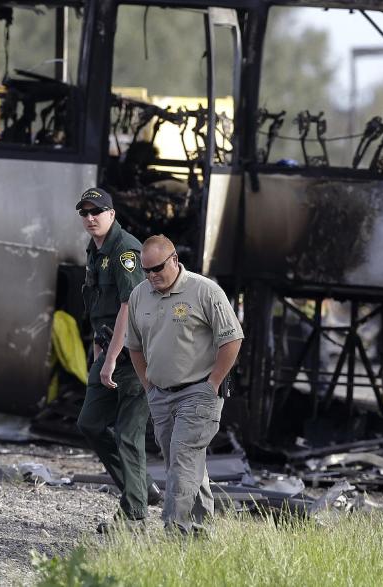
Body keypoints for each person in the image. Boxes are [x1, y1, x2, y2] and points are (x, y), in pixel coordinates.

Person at [126, 235, 243, 535]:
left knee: (181, 459)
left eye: (157, 268)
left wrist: (213, 383)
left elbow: (232, 339)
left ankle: (174, 530)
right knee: (185, 463)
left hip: (198, 392)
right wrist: (148, 386)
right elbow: (135, 346)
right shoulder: (140, 295)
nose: (151, 276)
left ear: (175, 260)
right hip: (161, 395)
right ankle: (201, 531)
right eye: (146, 270)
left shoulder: (204, 291)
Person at [74, 187, 160, 533]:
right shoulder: (96, 252)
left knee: (128, 434)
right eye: (84, 212)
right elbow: (100, 308)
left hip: (135, 356)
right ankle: (141, 489)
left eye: (97, 211)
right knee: (90, 424)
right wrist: (100, 351)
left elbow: (130, 304)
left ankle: (133, 517)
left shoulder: (126, 250)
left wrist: (109, 359)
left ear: (112, 214)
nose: (91, 217)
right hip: (108, 350)